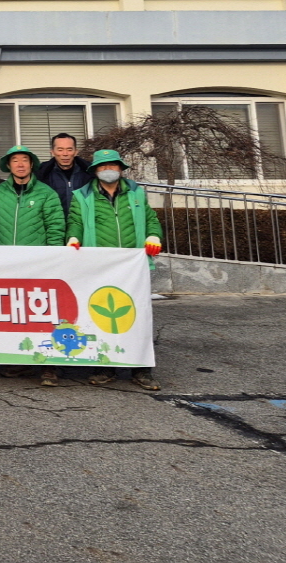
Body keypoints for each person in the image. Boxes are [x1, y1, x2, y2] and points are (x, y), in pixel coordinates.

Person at [67, 149, 163, 392]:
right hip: (99, 267)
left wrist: (154, 235)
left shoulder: (136, 193)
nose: (108, 170)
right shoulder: (82, 196)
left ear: (120, 168)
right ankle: (105, 365)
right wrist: (73, 238)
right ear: (95, 171)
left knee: (137, 316)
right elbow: (75, 221)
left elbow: (150, 219)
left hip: (133, 268)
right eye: (103, 166)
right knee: (101, 315)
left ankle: (141, 368)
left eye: (112, 165)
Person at [0, 145, 66, 386]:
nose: (20, 165)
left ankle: (49, 365)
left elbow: (55, 227)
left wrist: (52, 259)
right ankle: (22, 359)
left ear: (31, 165)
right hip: (7, 265)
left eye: (24, 160)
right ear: (8, 166)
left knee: (44, 314)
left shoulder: (46, 193)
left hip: (38, 266)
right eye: (15, 161)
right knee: (16, 314)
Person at [36, 133, 93, 221]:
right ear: (52, 152)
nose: (65, 154)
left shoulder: (89, 172)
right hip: (54, 225)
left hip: (83, 224)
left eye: (69, 149)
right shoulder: (41, 174)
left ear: (76, 152)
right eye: (60, 150)